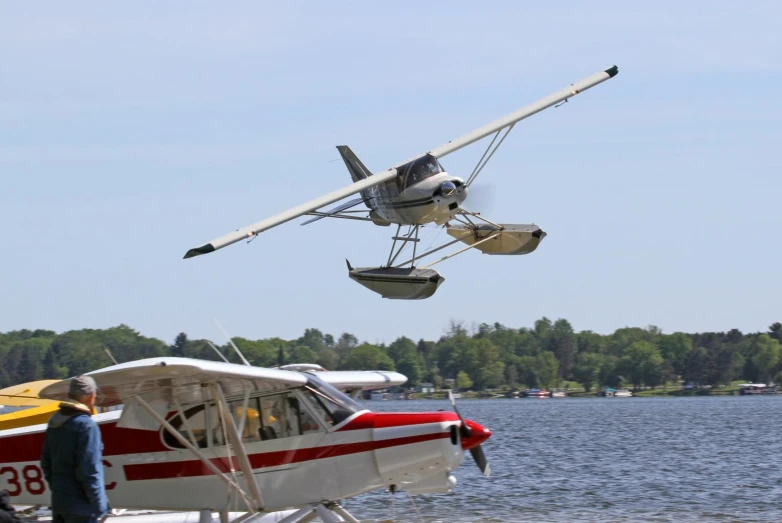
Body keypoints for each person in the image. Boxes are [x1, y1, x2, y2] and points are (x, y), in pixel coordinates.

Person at [40, 376, 109, 523]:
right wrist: (101, 505)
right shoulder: (87, 426)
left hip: (59, 503)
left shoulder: (54, 424)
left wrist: (59, 489)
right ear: (91, 397)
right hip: (82, 508)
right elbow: (90, 470)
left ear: (70, 396)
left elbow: (46, 463)